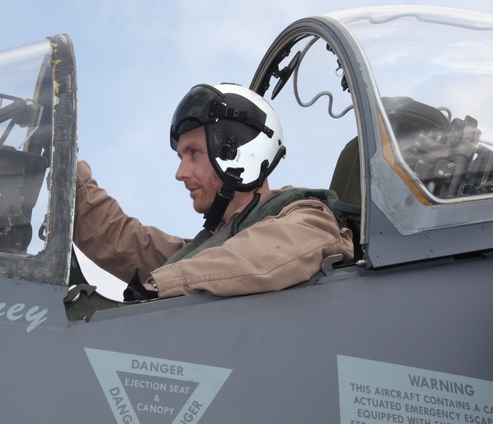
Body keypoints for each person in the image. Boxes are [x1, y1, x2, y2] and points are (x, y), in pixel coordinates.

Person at [74, 83, 355, 300]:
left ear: (240, 155)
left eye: (194, 153)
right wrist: (67, 167)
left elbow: (263, 255)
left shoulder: (308, 218)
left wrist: (160, 285)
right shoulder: (209, 250)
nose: (180, 173)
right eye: (181, 157)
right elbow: (117, 239)